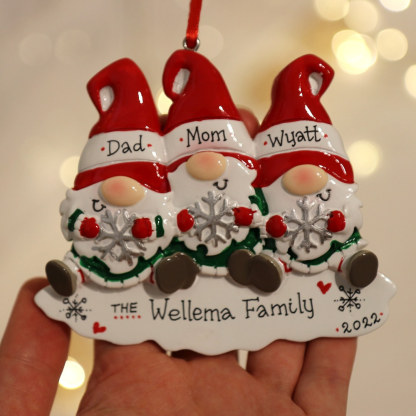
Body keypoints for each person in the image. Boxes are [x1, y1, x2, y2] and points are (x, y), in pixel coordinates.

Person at [0, 110, 356, 415]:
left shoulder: (247, 198)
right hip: (136, 258)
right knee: (125, 262)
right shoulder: (142, 205)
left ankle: (268, 264)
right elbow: (161, 222)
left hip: (236, 250)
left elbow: (249, 217)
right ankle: (97, 272)